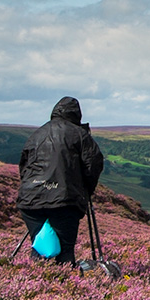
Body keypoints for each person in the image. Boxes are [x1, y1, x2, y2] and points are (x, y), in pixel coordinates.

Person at [17, 96, 105, 266]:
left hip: (30, 201)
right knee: (64, 250)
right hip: (64, 201)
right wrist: (85, 190)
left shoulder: (36, 134)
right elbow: (93, 165)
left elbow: (24, 167)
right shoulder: (80, 135)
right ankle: (62, 285)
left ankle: (36, 282)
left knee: (42, 246)